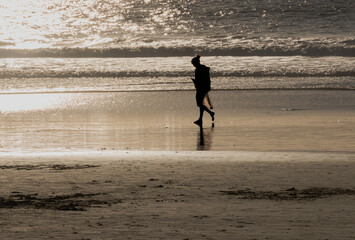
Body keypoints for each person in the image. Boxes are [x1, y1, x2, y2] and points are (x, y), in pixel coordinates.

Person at [191, 55, 215, 126]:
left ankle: (211, 113)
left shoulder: (198, 69)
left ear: (195, 63)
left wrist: (195, 82)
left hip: (201, 88)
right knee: (201, 104)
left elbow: (200, 80)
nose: (193, 65)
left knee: (199, 104)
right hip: (205, 87)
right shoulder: (203, 68)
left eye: (193, 64)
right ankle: (200, 119)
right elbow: (207, 79)